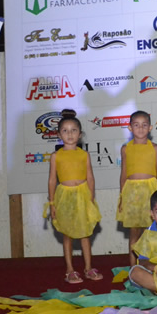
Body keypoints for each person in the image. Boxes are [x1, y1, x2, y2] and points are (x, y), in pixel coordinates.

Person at [45, 109, 102, 284]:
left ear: (80, 134)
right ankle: (69, 269)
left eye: (73, 130)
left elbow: (90, 177)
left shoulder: (84, 154)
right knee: (67, 234)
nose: (69, 134)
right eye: (65, 130)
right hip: (64, 198)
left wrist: (91, 199)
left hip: (83, 196)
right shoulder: (56, 156)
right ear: (58, 134)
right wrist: (52, 203)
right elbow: (52, 180)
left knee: (85, 234)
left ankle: (88, 268)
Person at [117, 110, 157, 266]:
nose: (140, 128)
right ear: (130, 128)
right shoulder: (125, 149)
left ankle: (152, 266)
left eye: (144, 125)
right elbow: (123, 175)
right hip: (131, 194)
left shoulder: (155, 148)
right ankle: (134, 267)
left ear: (150, 128)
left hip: (151, 192)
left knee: (152, 231)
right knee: (134, 232)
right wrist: (122, 197)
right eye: (136, 125)